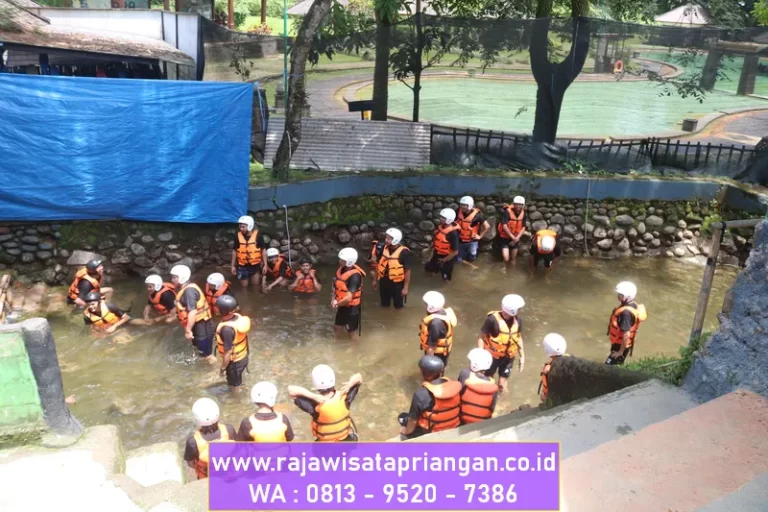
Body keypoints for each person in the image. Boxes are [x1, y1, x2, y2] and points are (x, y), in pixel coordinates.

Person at [288, 364, 363, 442]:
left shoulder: (314, 405)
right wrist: (349, 384)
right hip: (345, 439)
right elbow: (359, 377)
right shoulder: (345, 397)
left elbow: (291, 390)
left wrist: (313, 396)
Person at [399, 355, 461, 439]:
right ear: (441, 372)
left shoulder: (420, 394)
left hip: (431, 431)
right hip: (453, 425)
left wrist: (405, 432)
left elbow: (413, 421)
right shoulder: (455, 387)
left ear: (422, 372)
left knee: (402, 417)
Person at [477, 294, 525, 393]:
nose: (520, 310)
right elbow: (481, 337)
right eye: (519, 309)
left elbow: (518, 337)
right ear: (512, 310)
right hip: (492, 356)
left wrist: (522, 356)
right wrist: (481, 356)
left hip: (508, 357)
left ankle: (503, 401)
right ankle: (488, 398)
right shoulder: (492, 320)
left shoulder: (518, 320)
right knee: (488, 380)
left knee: (502, 384)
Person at [171, 265, 216, 364]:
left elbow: (193, 312)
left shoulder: (189, 291)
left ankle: (216, 370)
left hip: (202, 326)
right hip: (199, 325)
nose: (172, 280)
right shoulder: (186, 288)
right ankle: (207, 367)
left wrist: (188, 330)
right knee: (201, 351)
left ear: (182, 278)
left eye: (175, 277)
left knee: (207, 355)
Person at [183, 398, 236, 480]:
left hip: (207, 479)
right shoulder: (229, 429)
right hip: (229, 474)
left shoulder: (193, 442)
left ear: (196, 419)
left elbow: (190, 464)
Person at [214, 295, 250, 393]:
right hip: (243, 357)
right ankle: (240, 385)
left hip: (235, 363)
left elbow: (228, 352)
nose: (215, 308)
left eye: (217, 307)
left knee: (234, 386)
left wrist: (222, 368)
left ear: (224, 311)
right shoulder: (237, 317)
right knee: (237, 379)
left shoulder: (227, 329)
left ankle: (238, 398)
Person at [606, 281, 647, 365]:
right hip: (621, 344)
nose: (618, 296)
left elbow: (626, 334)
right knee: (616, 365)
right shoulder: (632, 305)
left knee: (608, 367)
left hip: (620, 346)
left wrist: (620, 352)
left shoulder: (626, 313)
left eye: (620, 295)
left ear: (628, 297)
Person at [373, 228, 412, 309]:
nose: (386, 240)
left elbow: (407, 271)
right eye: (386, 238)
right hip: (384, 281)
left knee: (398, 307)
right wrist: (375, 280)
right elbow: (378, 264)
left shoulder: (404, 252)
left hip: (397, 284)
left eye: (388, 239)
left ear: (395, 240)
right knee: (384, 305)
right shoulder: (383, 248)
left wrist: (405, 288)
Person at [332, 248, 366, 340]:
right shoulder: (341, 270)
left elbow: (349, 298)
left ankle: (354, 346)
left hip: (352, 308)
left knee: (351, 331)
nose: (340, 261)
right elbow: (335, 287)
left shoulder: (355, 276)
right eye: (340, 259)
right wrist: (333, 300)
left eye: (342, 260)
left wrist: (337, 304)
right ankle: (335, 343)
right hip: (342, 305)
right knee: (337, 327)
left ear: (349, 262)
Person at [458, 348, 498, 425]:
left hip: (463, 420)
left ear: (473, 364)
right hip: (482, 424)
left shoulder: (465, 373)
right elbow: (492, 408)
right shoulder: (493, 386)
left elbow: (458, 395)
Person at [419, 291, 458, 367]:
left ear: (431, 307)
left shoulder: (435, 324)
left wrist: (426, 364)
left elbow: (432, 347)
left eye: (426, 304)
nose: (425, 306)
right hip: (443, 353)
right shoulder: (444, 313)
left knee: (432, 371)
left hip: (437, 356)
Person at [231, 215, 267, 290]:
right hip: (242, 266)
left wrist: (265, 265)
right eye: (240, 226)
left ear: (250, 226)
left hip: (255, 265)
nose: (241, 228)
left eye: (243, 227)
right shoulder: (237, 236)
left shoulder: (258, 236)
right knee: (244, 287)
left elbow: (263, 250)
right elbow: (234, 250)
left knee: (255, 286)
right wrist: (232, 266)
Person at [425, 209, 460, 282]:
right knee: (429, 269)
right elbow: (435, 242)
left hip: (448, 257)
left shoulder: (453, 234)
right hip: (437, 254)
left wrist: (444, 260)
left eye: (443, 218)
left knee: (445, 277)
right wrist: (431, 252)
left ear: (449, 219)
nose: (440, 218)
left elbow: (455, 252)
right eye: (441, 217)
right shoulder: (440, 228)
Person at [495, 196, 527, 267]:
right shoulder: (507, 212)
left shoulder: (523, 214)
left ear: (523, 205)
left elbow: (523, 227)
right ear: (514, 204)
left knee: (513, 258)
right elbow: (504, 226)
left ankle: (512, 272)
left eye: (520, 204)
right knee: (506, 258)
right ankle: (503, 271)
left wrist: (516, 238)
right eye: (516, 204)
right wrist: (513, 238)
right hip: (505, 238)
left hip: (516, 238)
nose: (518, 206)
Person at [456, 196, 490, 263]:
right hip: (460, 241)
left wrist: (480, 236)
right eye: (461, 204)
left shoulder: (477, 215)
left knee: (472, 257)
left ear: (470, 205)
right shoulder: (458, 211)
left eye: (464, 205)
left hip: (472, 241)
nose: (462, 207)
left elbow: (487, 226)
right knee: (459, 259)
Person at [539, 333, 568, 402]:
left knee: (542, 396)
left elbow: (546, 394)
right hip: (568, 396)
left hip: (556, 401)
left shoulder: (548, 370)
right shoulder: (570, 359)